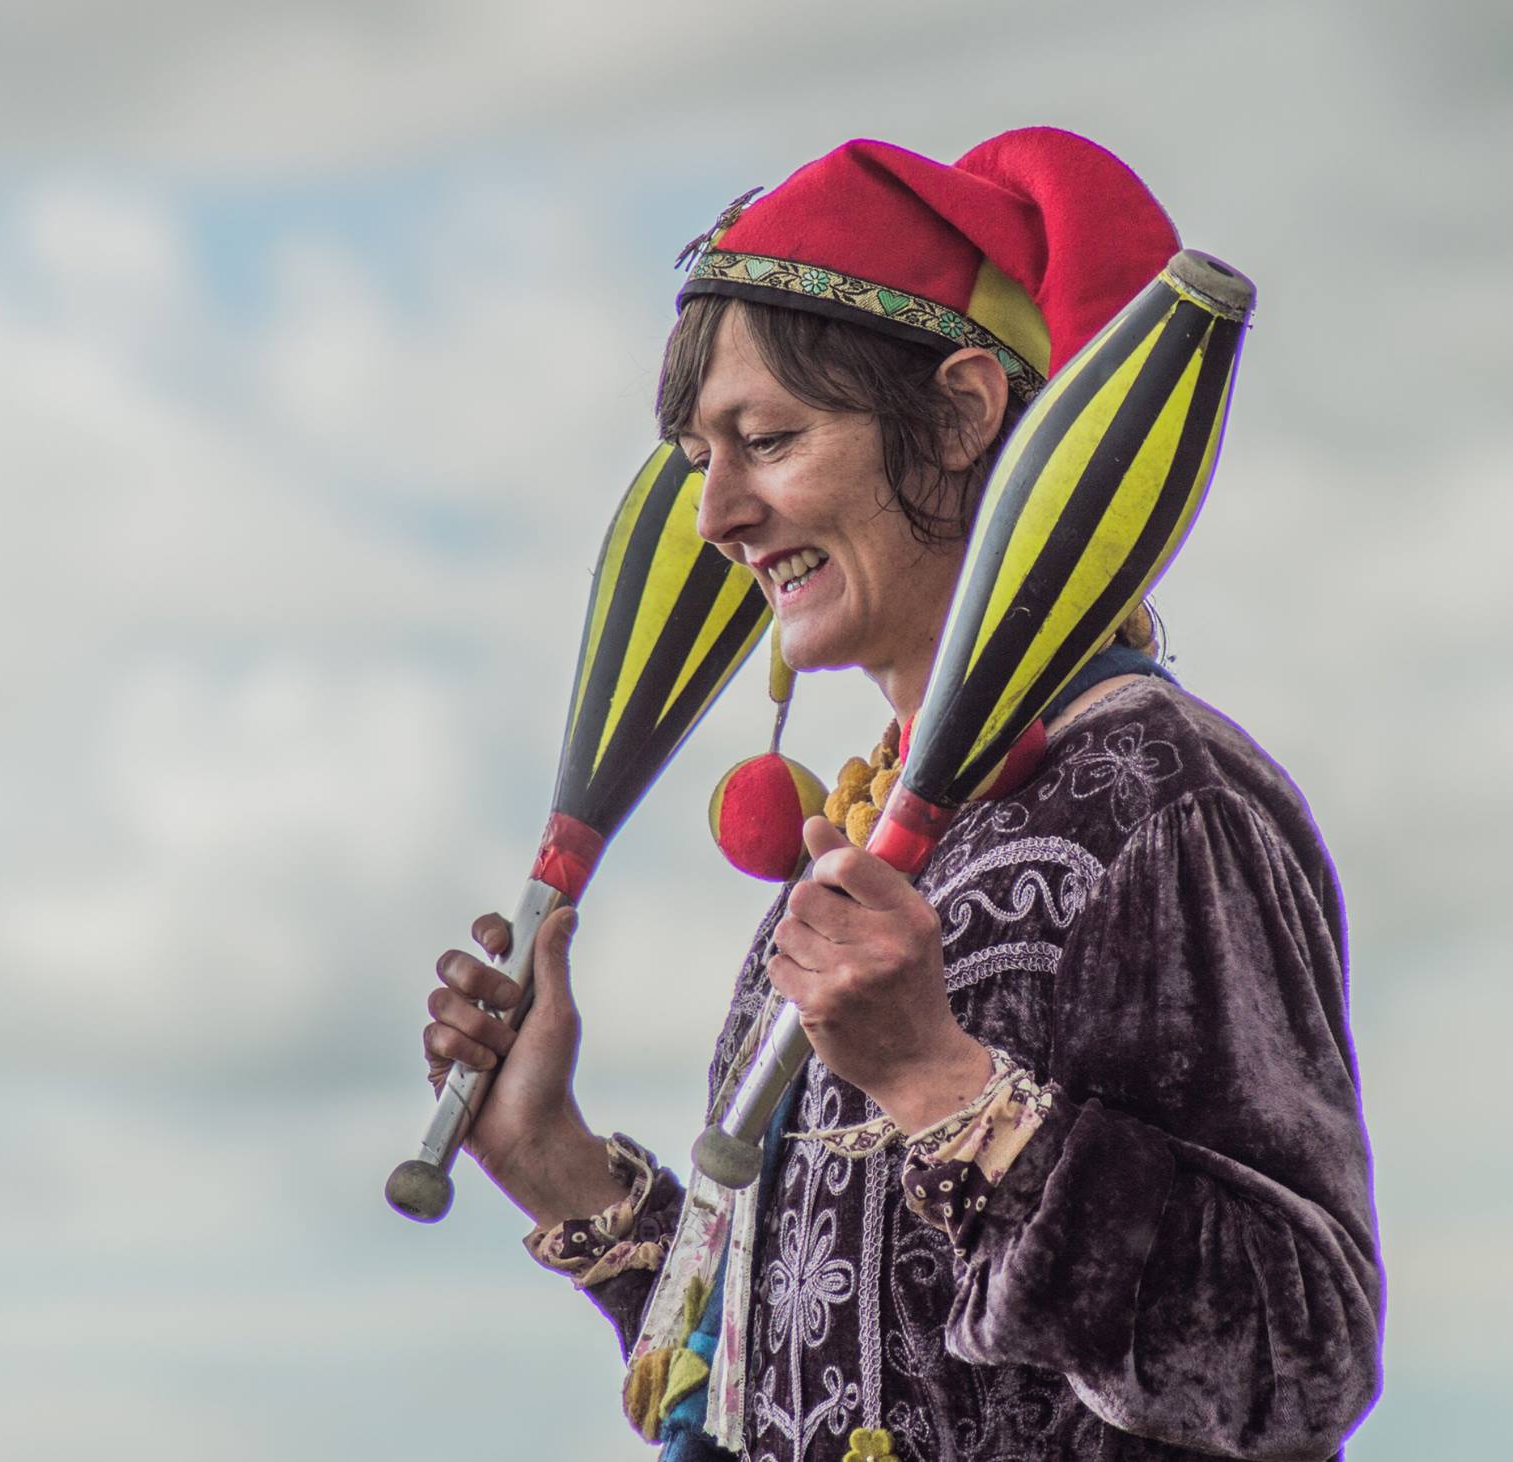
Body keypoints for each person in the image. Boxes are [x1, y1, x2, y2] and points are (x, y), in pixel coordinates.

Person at [420, 128, 1382, 1462]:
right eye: (705, 461)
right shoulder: (858, 862)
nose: (717, 519)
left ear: (966, 411)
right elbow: (782, 1390)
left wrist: (944, 1081)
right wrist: (553, 1156)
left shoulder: (1163, 799)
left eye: (769, 440)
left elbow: (1297, 1357)